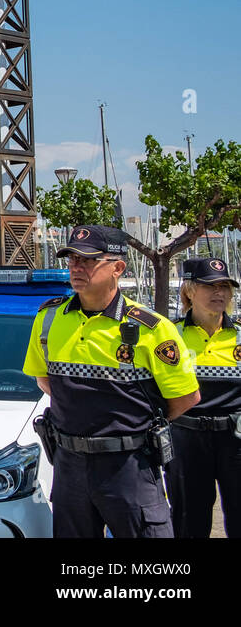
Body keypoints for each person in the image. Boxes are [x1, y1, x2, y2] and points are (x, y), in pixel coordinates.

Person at [23, 225, 199, 538]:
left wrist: (134, 431)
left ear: (117, 267)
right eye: (72, 259)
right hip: (70, 466)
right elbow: (45, 382)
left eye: (88, 261)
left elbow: (185, 398)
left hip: (129, 466)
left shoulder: (152, 328)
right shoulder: (48, 318)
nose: (76, 267)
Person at [166, 257, 241, 538]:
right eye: (210, 286)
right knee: (188, 520)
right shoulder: (170, 335)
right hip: (186, 439)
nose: (219, 293)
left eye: (224, 286)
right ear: (189, 291)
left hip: (236, 440)